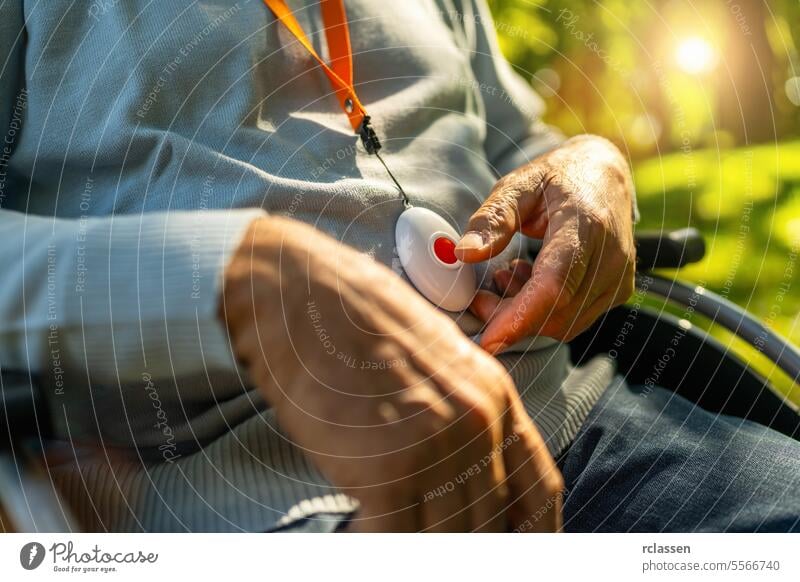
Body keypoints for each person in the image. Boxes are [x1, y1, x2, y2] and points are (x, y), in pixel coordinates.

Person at [0, 0, 797, 533]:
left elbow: (514, 142)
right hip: (280, 515)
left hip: (587, 438)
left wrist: (591, 168)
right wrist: (236, 281)